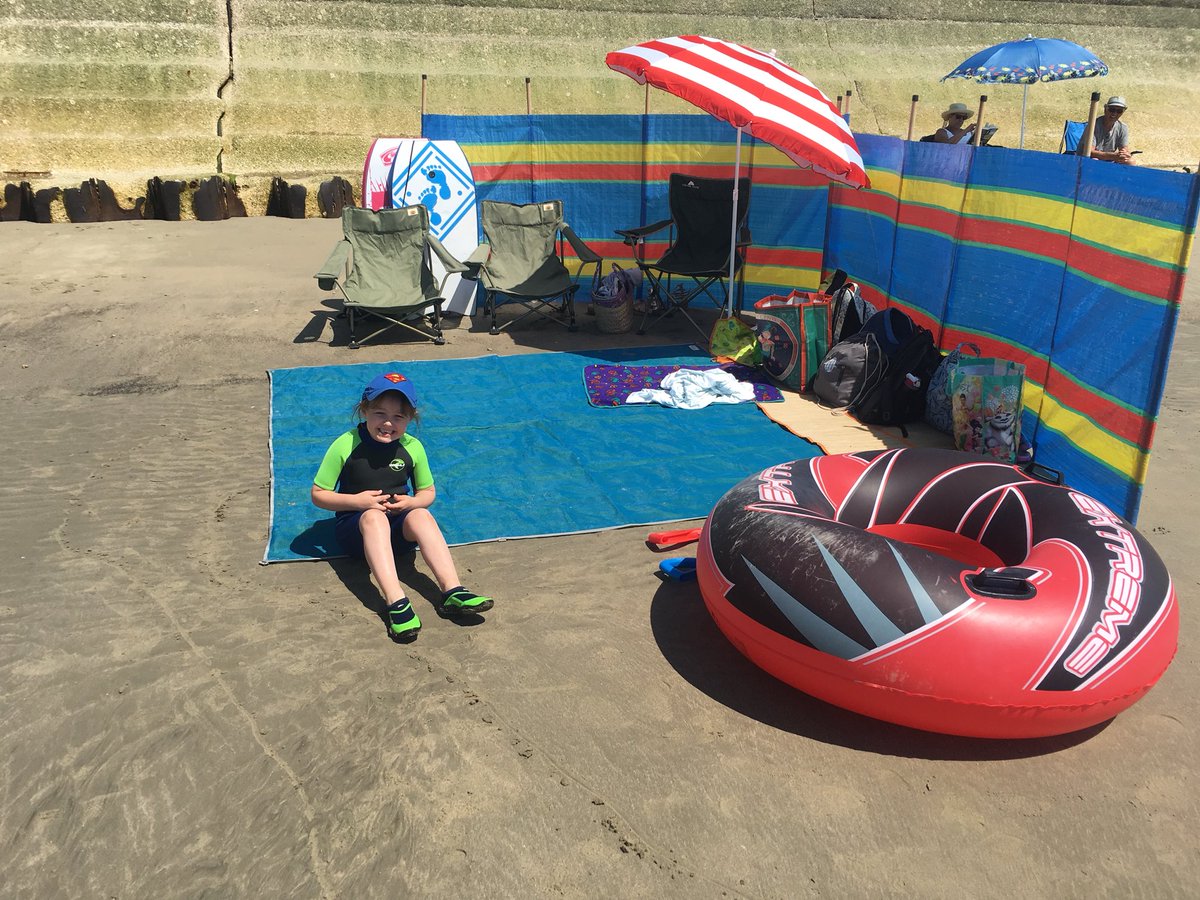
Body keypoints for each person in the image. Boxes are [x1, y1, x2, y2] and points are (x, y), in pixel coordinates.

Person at [311, 372, 493, 640]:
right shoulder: (345, 444)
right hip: (357, 534)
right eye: (379, 413)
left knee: (420, 514)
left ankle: (452, 591)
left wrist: (412, 502)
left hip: (397, 531)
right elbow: (318, 494)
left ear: (411, 418)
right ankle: (396, 601)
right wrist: (357, 501)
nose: (388, 423)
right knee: (373, 516)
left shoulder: (413, 447)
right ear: (364, 410)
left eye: (399, 417)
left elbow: (427, 492)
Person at [1091, 96, 1135, 164]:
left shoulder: (1123, 127)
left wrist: (1125, 154)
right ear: (1105, 109)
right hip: (1089, 160)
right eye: (1112, 109)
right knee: (1094, 161)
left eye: (1119, 111)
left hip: (1109, 160)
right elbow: (1090, 152)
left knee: (1130, 162)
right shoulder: (1093, 125)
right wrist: (1112, 156)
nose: (1114, 113)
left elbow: (1124, 149)